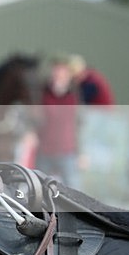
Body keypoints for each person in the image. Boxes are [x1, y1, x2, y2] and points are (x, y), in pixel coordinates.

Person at [35, 56, 80, 188]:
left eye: (62, 73)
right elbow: (34, 118)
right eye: (55, 72)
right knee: (39, 187)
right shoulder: (42, 94)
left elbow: (79, 124)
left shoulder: (74, 96)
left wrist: (81, 153)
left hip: (67, 151)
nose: (58, 76)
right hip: (45, 151)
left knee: (74, 188)